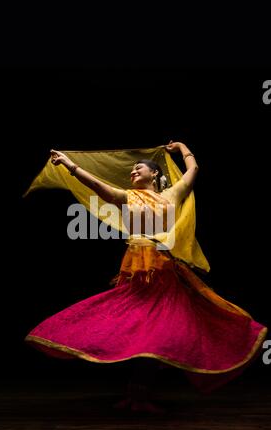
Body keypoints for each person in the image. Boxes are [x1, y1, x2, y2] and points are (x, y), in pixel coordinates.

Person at [25, 141, 268, 414]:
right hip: (138, 269)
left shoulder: (173, 195)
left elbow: (194, 168)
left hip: (162, 267)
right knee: (135, 324)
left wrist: (182, 147)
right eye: (131, 169)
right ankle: (136, 393)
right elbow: (96, 186)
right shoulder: (127, 196)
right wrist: (70, 166)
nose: (132, 171)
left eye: (137, 167)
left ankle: (140, 394)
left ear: (154, 174)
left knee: (159, 328)